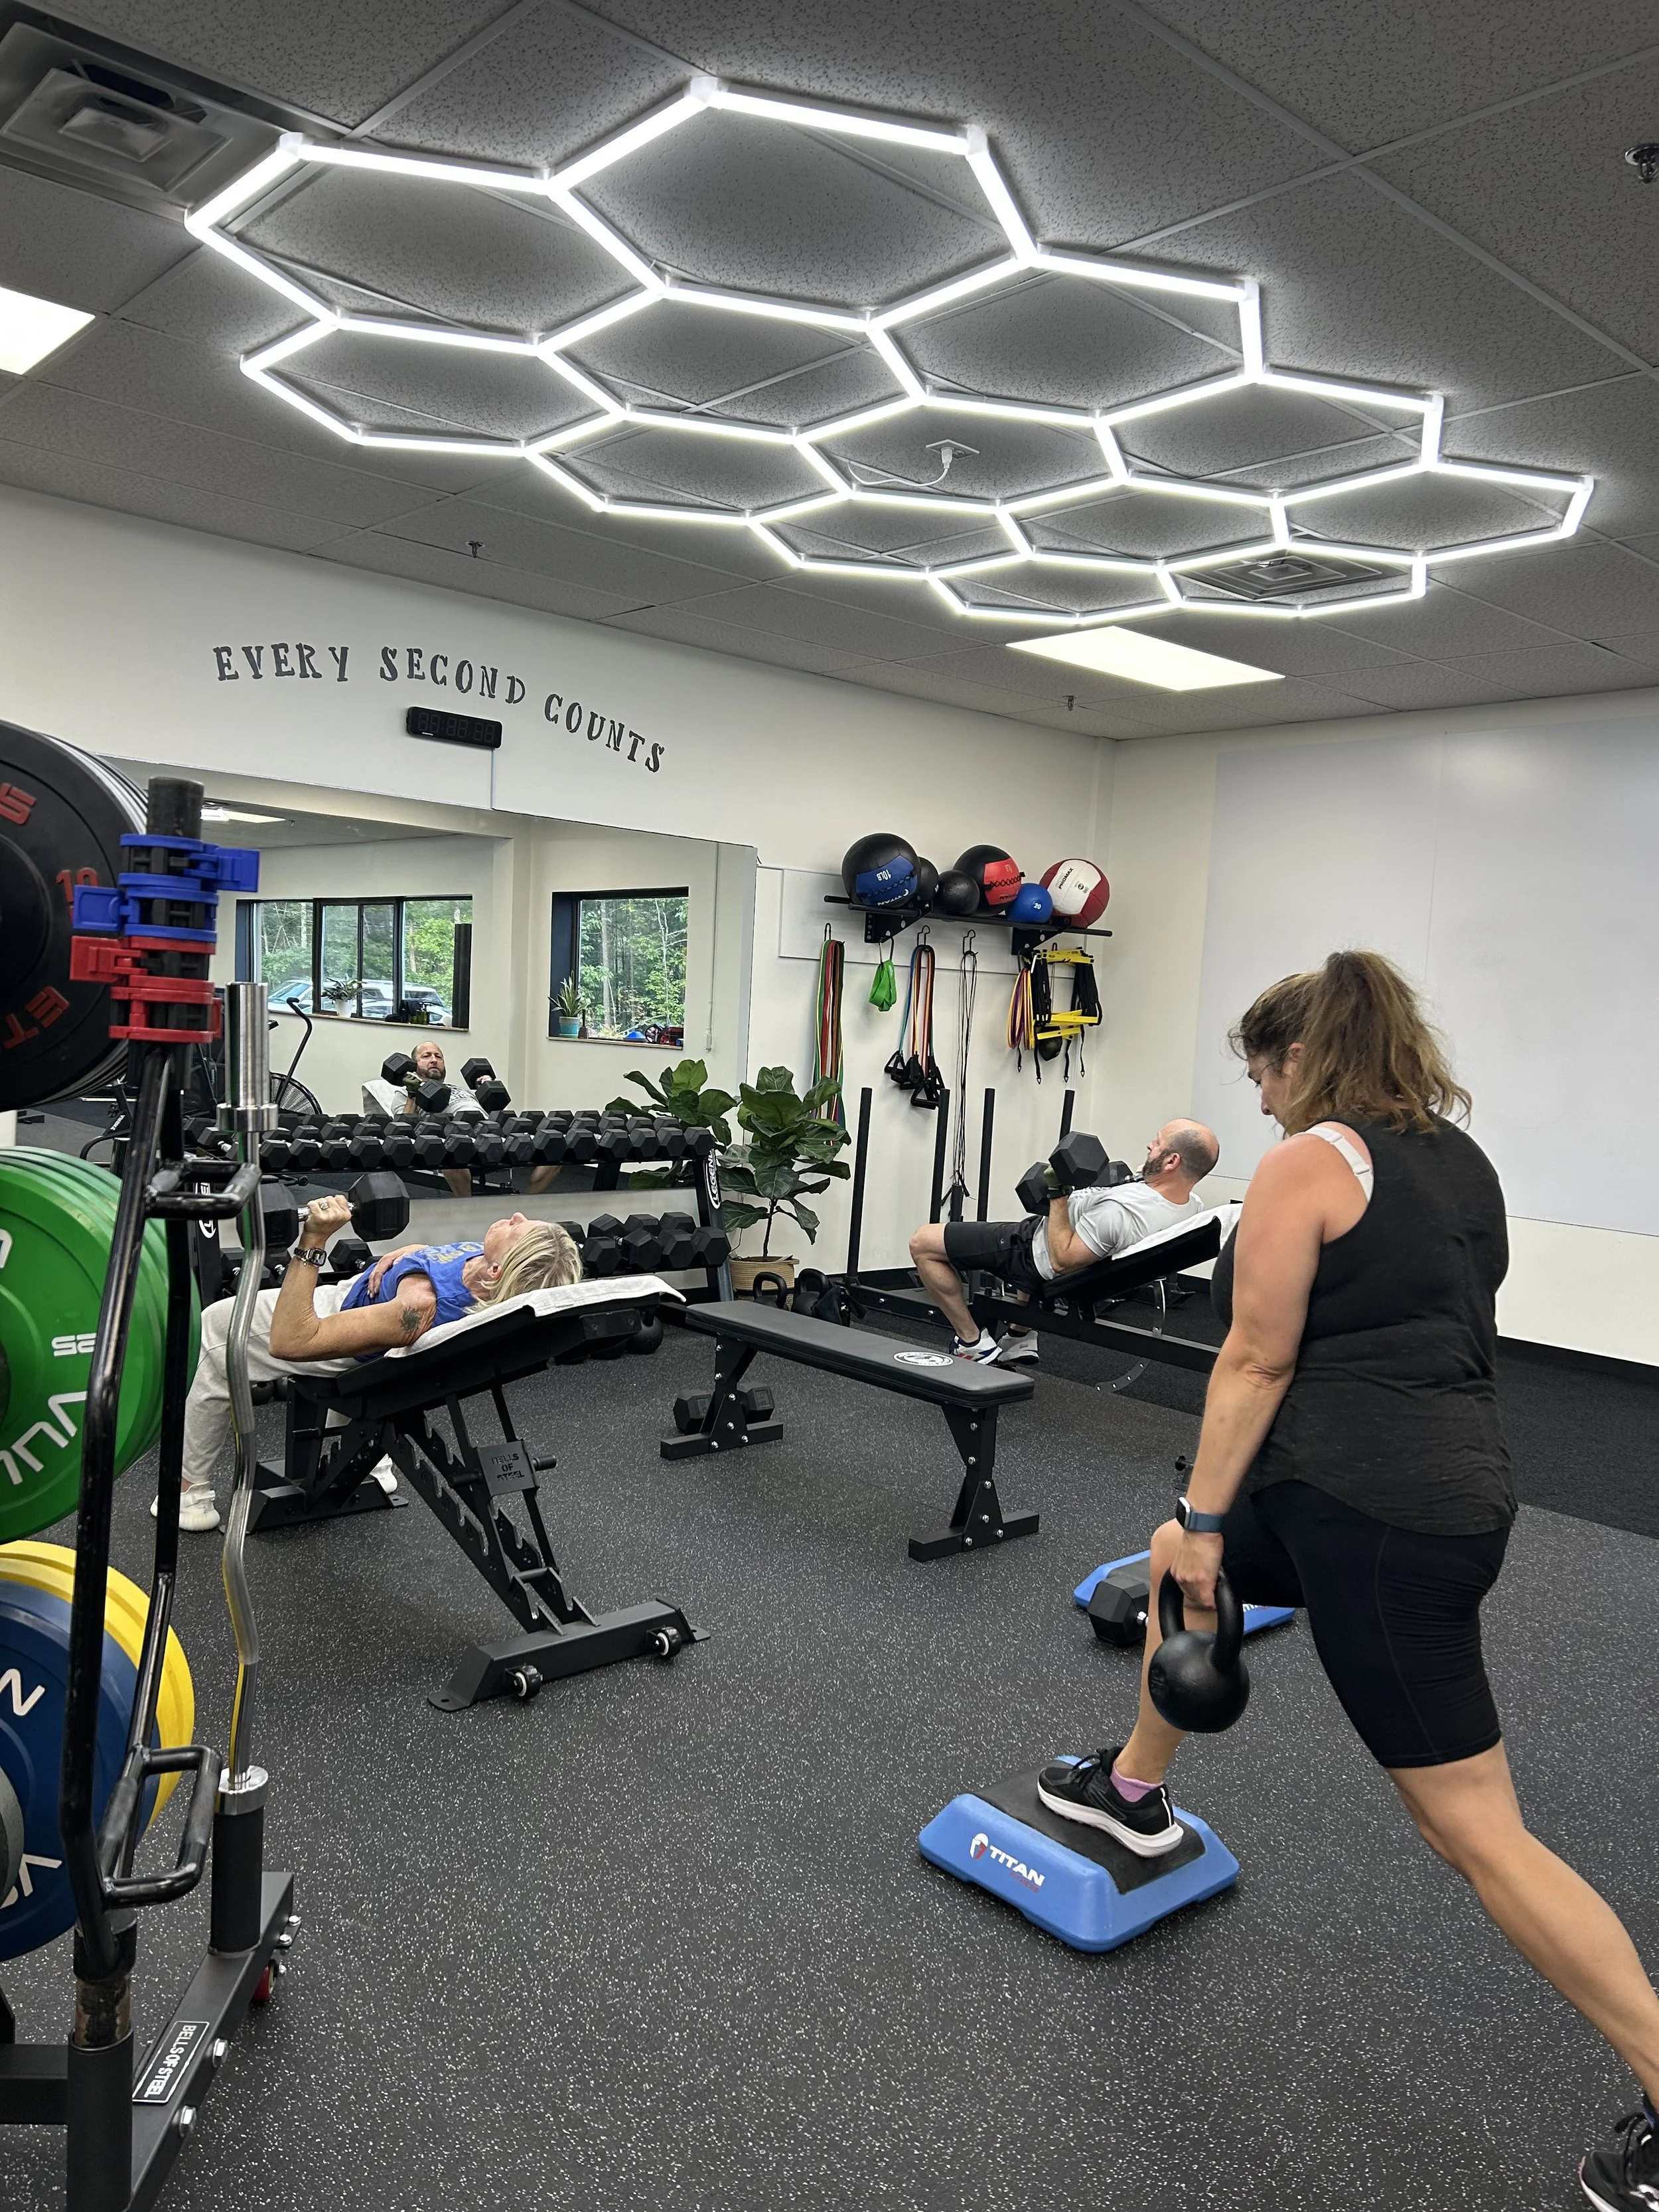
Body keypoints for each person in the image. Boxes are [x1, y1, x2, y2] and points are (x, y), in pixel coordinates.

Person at [1031, 950, 1659, 2211]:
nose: (1258, 1104)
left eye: (1263, 1073)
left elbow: (1255, 1362)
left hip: (1372, 1517)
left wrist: (1213, 1515)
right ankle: (1133, 1786)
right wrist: (1197, 1532)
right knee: (1168, 1561)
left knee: (1469, 1824)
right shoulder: (1460, 1158)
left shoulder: (1314, 1161)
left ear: (1300, 1056)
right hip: (1445, 1484)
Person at [168, 1198, 580, 1532]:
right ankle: (372, 1462)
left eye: (517, 1228)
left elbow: (291, 1340)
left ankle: (190, 1495)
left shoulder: (418, 1308)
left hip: (337, 1322)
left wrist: (314, 1240)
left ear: (496, 1272)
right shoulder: (491, 1273)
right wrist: (412, 1255)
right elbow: (447, 1262)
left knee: (217, 1331)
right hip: (365, 1302)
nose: (517, 1214)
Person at [908, 1119, 1219, 1363]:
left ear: (1172, 1162)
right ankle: (1018, 1338)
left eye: (1158, 1143)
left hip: (1030, 1253)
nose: (1150, 1145)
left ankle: (972, 1342)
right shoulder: (1191, 1206)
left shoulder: (1119, 1215)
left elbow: (1060, 1259)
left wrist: (1058, 1193)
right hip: (1061, 1249)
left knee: (923, 1242)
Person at [364, 1040, 557, 1198]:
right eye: (426, 1056)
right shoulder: (405, 1094)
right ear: (414, 1065)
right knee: (453, 1151)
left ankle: (529, 1201)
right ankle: (467, 1204)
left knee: (554, 1144)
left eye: (438, 1056)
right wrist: (413, 1094)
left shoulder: (461, 1090)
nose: (434, 1060)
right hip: (457, 1140)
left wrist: (487, 1088)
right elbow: (403, 1127)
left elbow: (495, 1111)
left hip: (490, 1134)